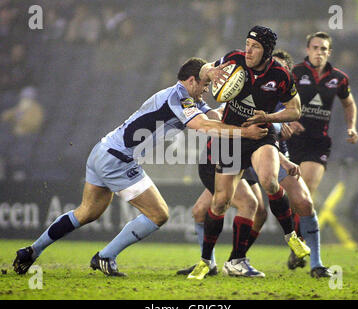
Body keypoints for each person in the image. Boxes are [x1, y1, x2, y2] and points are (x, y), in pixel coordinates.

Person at [12, 57, 267, 277]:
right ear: (192, 81)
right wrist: (246, 134)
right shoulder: (179, 97)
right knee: (159, 214)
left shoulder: (188, 99)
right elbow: (204, 127)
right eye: (205, 84)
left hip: (103, 150)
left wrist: (252, 113)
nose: (207, 90)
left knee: (87, 212)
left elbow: (213, 117)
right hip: (118, 160)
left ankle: (32, 250)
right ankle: (105, 256)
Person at [178, 50, 331, 278]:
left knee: (296, 201)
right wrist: (210, 76)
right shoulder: (244, 81)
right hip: (231, 149)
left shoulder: (282, 104)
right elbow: (221, 114)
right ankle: (212, 261)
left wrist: (282, 151)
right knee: (215, 208)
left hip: (263, 151)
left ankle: (307, 260)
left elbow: (278, 126)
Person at [286, 32, 358, 271]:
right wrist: (287, 121)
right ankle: (297, 242)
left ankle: (301, 245)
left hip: (318, 143)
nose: (319, 52)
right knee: (295, 198)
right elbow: (277, 99)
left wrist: (351, 127)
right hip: (292, 141)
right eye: (315, 47)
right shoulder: (295, 73)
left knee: (306, 189)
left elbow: (348, 103)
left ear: (330, 52)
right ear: (307, 49)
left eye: (324, 48)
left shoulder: (338, 78)